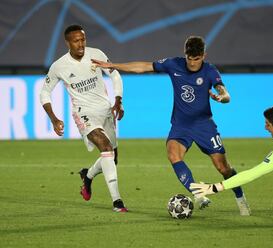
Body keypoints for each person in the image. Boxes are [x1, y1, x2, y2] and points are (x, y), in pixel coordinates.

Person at [92, 36, 250, 215]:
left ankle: (240, 198)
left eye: (196, 59)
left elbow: (224, 92)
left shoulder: (209, 70)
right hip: (181, 125)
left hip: (204, 125)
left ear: (203, 55)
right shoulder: (174, 64)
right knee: (173, 154)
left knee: (223, 168)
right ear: (185, 54)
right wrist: (114, 65)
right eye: (190, 58)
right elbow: (144, 66)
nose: (192, 63)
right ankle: (198, 194)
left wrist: (223, 97)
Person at [40, 24, 128, 212]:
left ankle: (87, 176)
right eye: (76, 41)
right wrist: (54, 118)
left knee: (113, 158)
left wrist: (118, 100)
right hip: (83, 112)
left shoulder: (96, 54)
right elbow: (45, 92)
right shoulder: (59, 66)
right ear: (68, 42)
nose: (81, 44)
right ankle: (117, 201)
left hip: (105, 110)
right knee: (105, 148)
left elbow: (115, 75)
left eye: (83, 40)